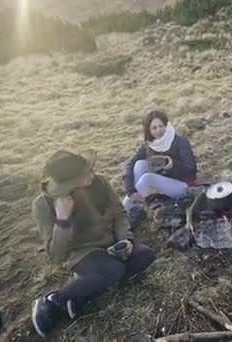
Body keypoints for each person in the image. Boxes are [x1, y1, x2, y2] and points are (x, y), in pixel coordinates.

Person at [30, 150, 155, 337]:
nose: (92, 175)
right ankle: (53, 300)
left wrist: (125, 240)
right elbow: (56, 255)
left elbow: (119, 214)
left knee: (145, 255)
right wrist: (63, 220)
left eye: (90, 169)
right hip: (82, 254)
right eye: (85, 175)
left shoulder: (101, 183)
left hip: (111, 245)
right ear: (68, 184)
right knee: (115, 270)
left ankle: (84, 290)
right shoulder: (44, 204)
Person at [122, 110, 197, 225]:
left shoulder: (180, 141)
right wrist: (130, 190)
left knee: (148, 178)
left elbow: (192, 170)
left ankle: (124, 212)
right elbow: (129, 165)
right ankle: (136, 206)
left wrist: (174, 165)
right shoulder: (149, 144)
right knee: (139, 164)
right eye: (154, 128)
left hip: (183, 185)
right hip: (163, 183)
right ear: (149, 130)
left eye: (161, 126)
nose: (158, 131)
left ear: (166, 125)